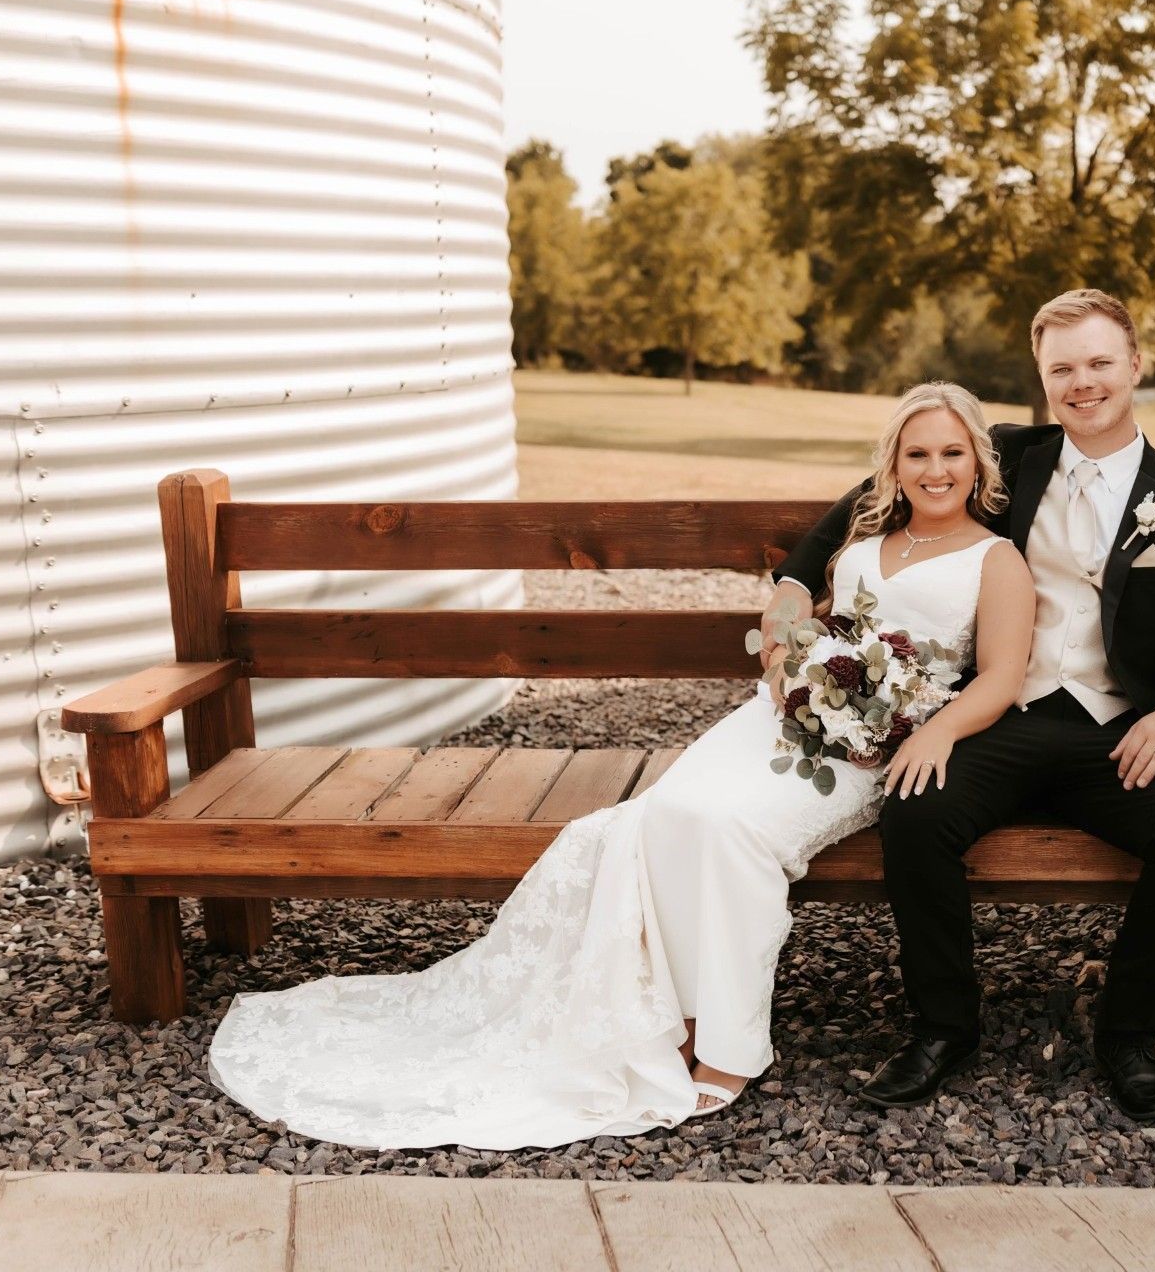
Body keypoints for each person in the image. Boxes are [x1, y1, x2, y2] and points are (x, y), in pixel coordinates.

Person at [204, 382, 1035, 1149]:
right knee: (664, 816)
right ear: (893, 463)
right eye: (918, 453)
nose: (935, 469)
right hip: (776, 723)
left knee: (728, 831)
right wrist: (786, 669)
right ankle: (666, 1015)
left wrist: (932, 735)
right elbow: (804, 615)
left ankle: (731, 1045)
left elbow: (998, 676)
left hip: (870, 749)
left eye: (952, 453)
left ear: (978, 464)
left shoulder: (996, 561)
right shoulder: (862, 541)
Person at [763, 289, 1155, 1120]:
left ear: (1136, 365)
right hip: (1000, 708)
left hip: (1118, 726)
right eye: (1063, 368)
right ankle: (945, 1027)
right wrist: (793, 591)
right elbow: (855, 510)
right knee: (914, 811)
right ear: (1043, 378)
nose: (1082, 382)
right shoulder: (1011, 455)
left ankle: (1127, 1034)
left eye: (1100, 363)